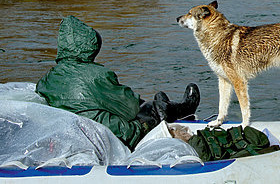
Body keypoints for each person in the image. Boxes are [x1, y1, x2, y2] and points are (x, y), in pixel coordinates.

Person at [36, 15, 200, 150]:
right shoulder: (96, 75)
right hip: (116, 135)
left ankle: (165, 103)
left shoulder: (47, 79)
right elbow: (131, 108)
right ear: (89, 47)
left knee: (151, 104)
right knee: (154, 108)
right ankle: (184, 108)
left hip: (76, 134)